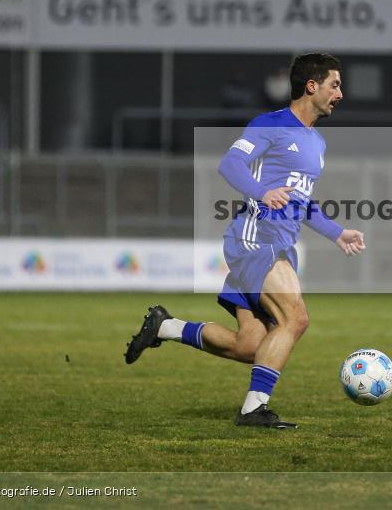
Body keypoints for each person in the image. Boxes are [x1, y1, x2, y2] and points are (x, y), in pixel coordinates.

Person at [125, 53, 366, 428]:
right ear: (311, 86)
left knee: (250, 345)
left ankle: (165, 327)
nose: (340, 93)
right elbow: (230, 165)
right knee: (296, 318)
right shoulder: (269, 125)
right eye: (335, 84)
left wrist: (337, 233)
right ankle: (254, 409)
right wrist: (261, 193)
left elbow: (302, 202)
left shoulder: (316, 144)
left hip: (278, 244)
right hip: (257, 238)